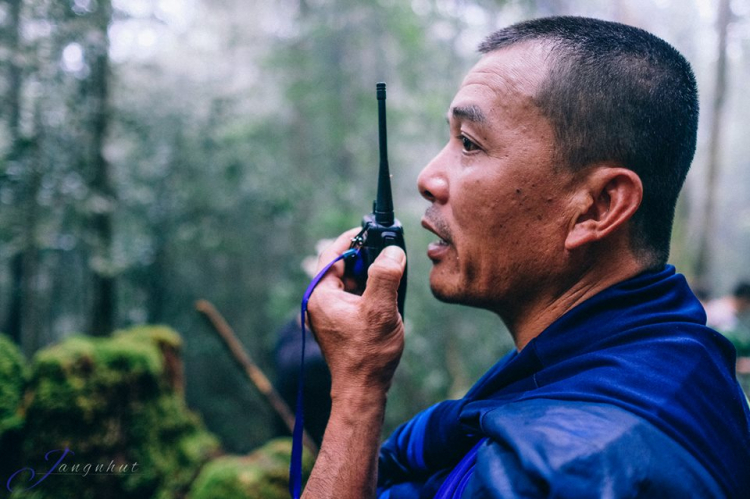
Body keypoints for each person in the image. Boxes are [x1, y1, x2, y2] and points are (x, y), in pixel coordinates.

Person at [302, 16, 750, 498]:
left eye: (470, 143)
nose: (429, 177)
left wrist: (357, 392)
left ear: (597, 207)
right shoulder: (676, 361)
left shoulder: (564, 472)